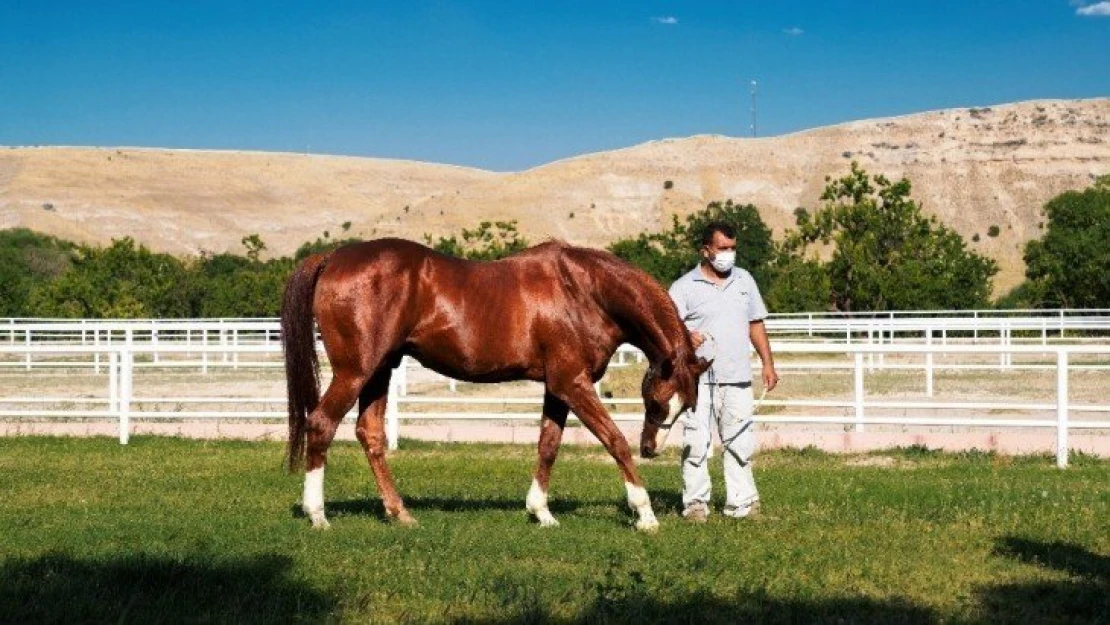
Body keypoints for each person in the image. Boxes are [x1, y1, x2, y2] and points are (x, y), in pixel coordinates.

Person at [667, 222, 779, 522]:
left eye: (732, 248)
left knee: (740, 441)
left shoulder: (745, 281)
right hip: (696, 380)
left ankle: (741, 505)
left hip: (737, 376)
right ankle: (695, 505)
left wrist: (767, 362)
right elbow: (666, 331)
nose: (729, 254)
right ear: (705, 250)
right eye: (722, 249)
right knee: (695, 442)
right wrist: (685, 336)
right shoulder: (682, 288)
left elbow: (755, 323)